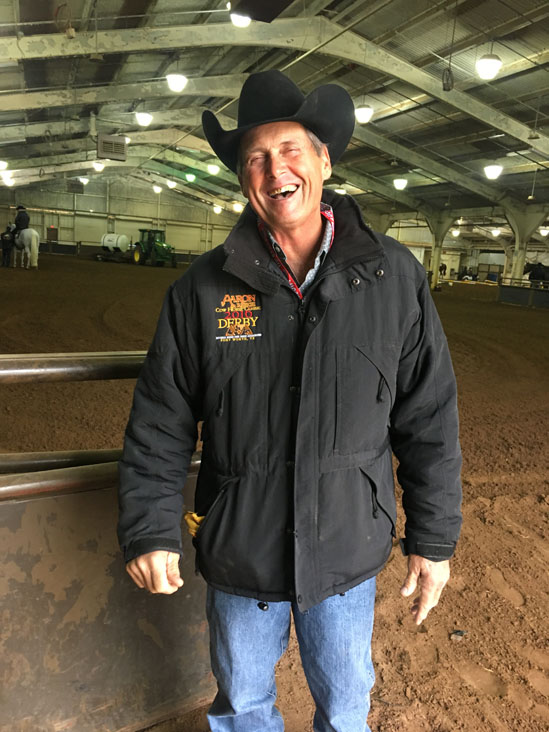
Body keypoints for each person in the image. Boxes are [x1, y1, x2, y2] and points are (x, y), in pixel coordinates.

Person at [118, 70, 462, 732]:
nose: (275, 169)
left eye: (290, 149)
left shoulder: (393, 278)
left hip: (345, 550)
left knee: (345, 709)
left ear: (324, 161)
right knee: (243, 707)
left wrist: (433, 538)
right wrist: (150, 528)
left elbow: (428, 418)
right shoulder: (202, 290)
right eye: (256, 157)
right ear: (242, 178)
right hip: (241, 550)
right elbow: (160, 420)